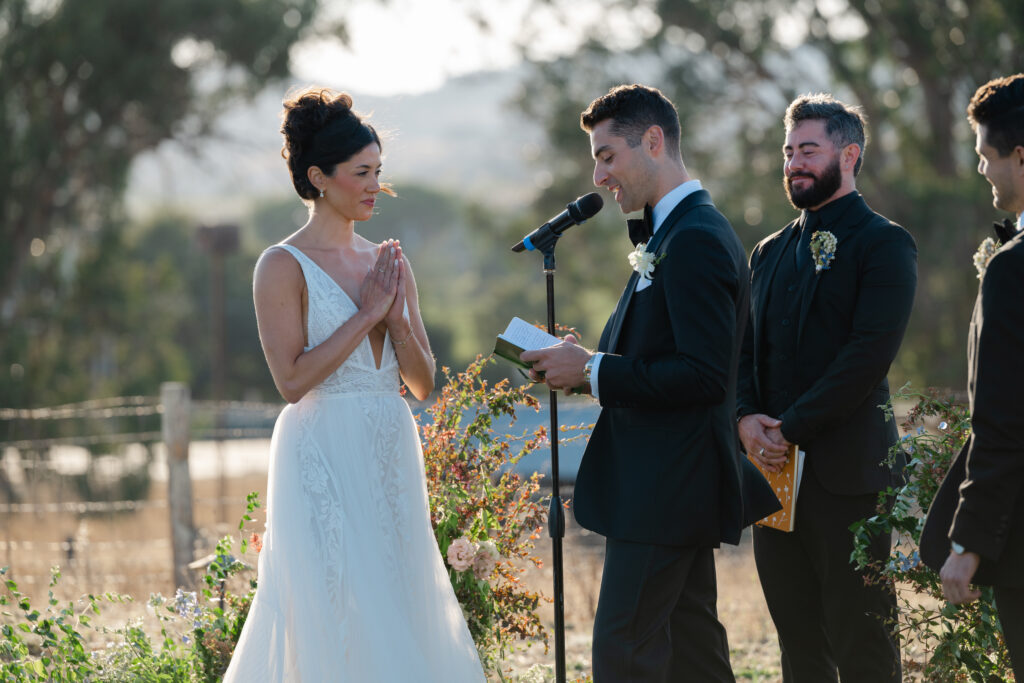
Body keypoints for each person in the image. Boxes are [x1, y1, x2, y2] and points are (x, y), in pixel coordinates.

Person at [222, 87, 483, 681]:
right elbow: (291, 381)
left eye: (378, 172)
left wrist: (395, 318)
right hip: (319, 447)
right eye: (361, 173)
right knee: (331, 599)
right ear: (318, 176)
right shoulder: (279, 266)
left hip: (390, 442)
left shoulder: (389, 260)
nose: (375, 187)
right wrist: (367, 316)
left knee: (396, 592)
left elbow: (421, 383)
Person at [522, 83, 777, 682]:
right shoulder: (671, 233)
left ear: (654, 141)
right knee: (694, 654)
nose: (598, 174)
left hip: (667, 486)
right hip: (666, 485)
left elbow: (705, 376)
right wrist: (584, 360)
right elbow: (667, 351)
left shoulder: (693, 239)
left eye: (608, 155)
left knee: (624, 654)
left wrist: (591, 370)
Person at [736, 93, 917, 682]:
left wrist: (789, 427)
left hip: (851, 481)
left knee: (861, 638)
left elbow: (865, 359)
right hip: (774, 481)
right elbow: (743, 353)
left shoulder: (884, 243)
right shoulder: (767, 251)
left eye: (808, 150)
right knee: (797, 641)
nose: (794, 163)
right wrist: (743, 418)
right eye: (788, 151)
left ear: (850, 153)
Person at [920, 73, 1024, 677]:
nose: (982, 169)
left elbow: (1004, 421)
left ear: (1019, 154)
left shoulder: (1014, 273)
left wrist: (968, 543)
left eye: (987, 155)